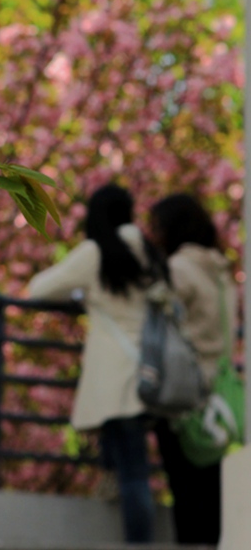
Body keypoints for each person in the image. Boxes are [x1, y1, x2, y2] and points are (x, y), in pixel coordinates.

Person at [27, 183, 156, 544]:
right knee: (127, 464)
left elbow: (39, 288)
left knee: (131, 472)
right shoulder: (149, 252)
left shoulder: (97, 252)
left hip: (114, 374)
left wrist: (84, 295)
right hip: (148, 369)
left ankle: (139, 543)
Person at [150, 193, 237, 547]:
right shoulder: (220, 272)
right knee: (211, 488)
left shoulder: (180, 268)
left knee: (185, 491)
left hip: (182, 390)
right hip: (216, 389)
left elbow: (154, 303)